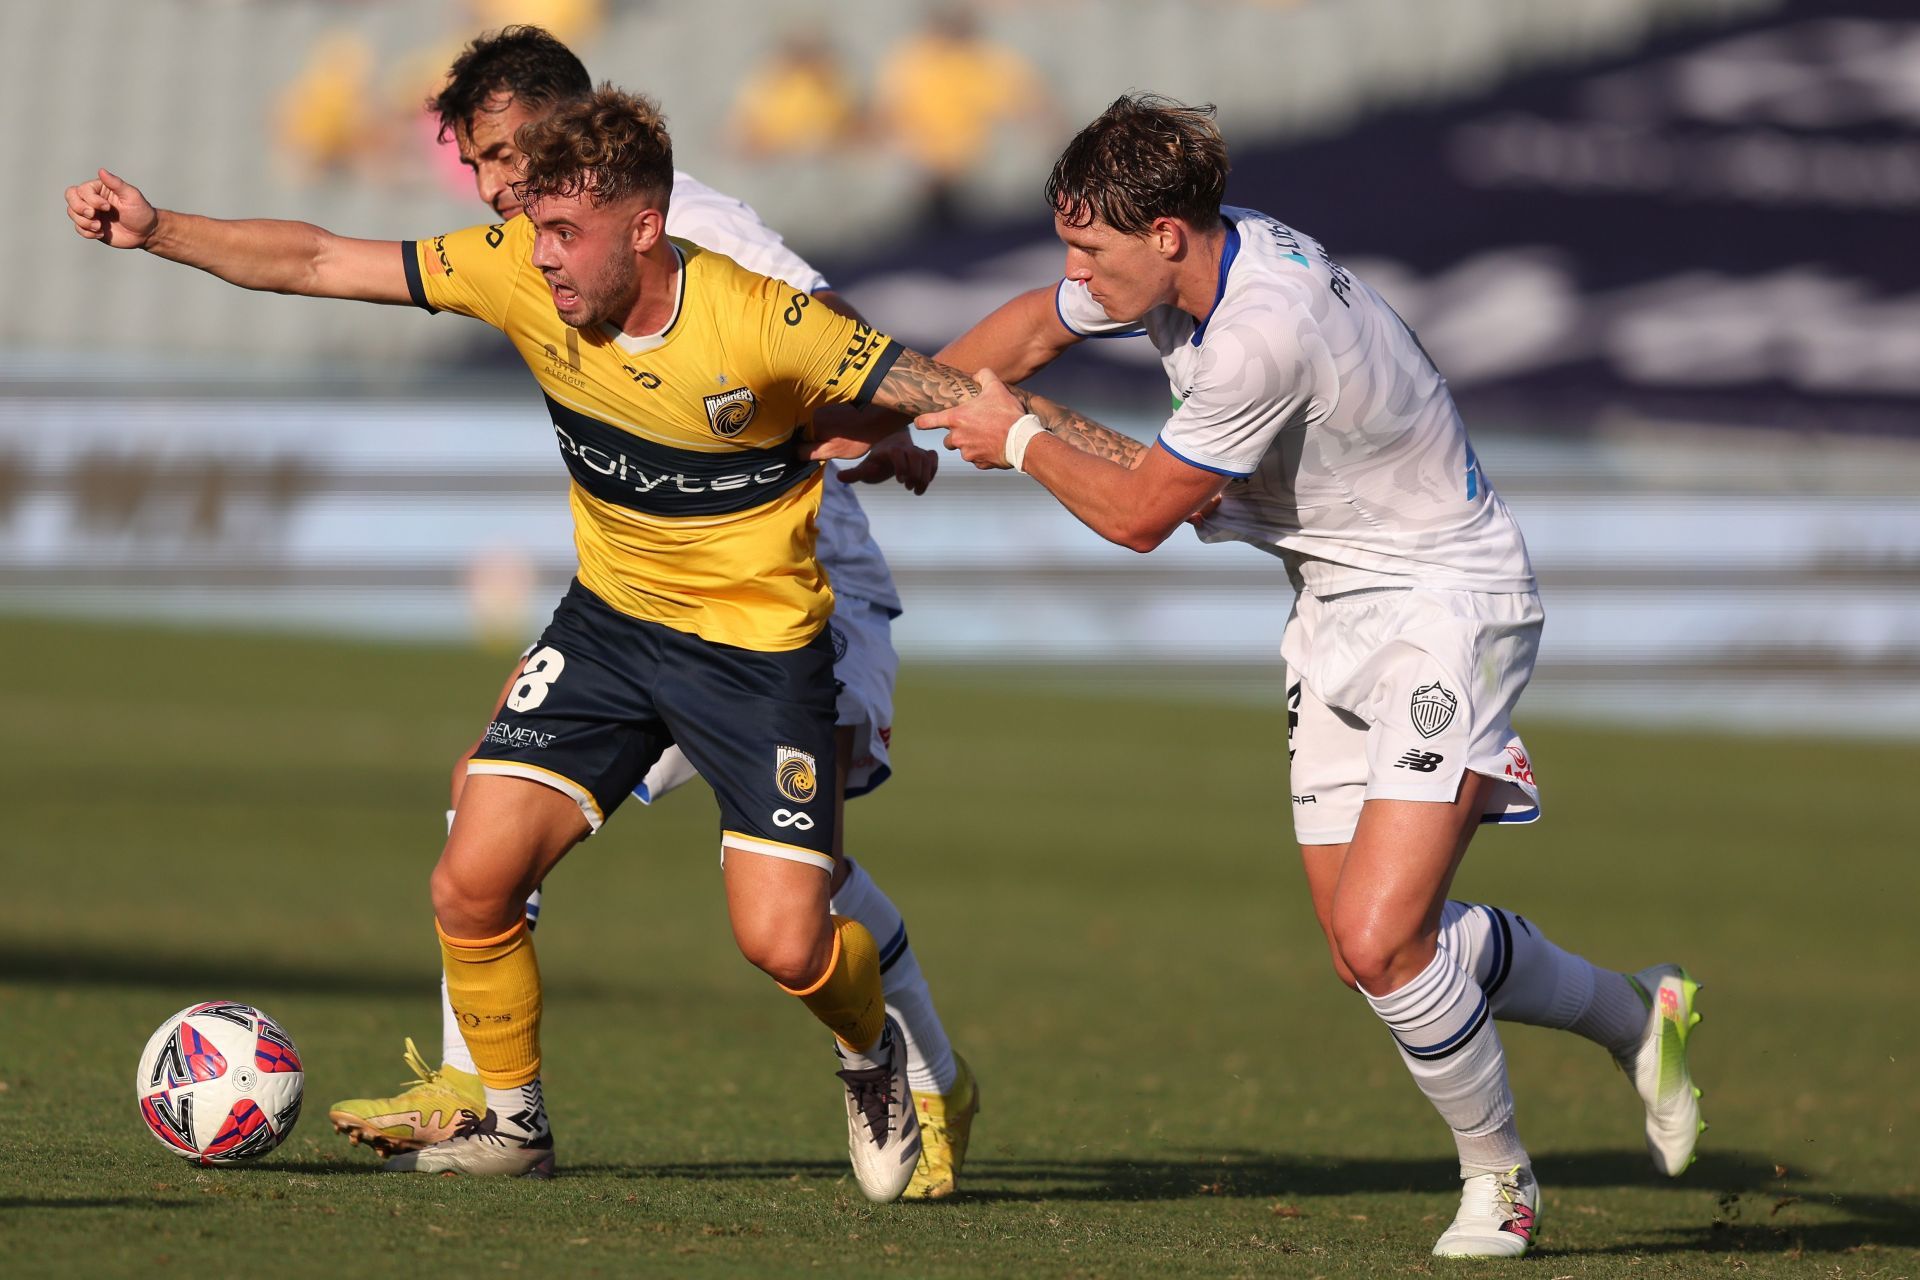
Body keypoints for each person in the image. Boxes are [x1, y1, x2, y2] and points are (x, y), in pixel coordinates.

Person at [65, 85, 1099, 1198]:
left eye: (563, 232)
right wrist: (158, 229)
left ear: (646, 228)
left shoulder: (762, 319)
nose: (538, 254)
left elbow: (940, 388)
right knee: (475, 873)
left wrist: (1134, 470)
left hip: (753, 654)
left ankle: (871, 1052)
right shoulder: (515, 268)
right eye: (531, 226)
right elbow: (321, 259)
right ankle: (508, 1116)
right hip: (609, 628)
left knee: (785, 942)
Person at [916, 94, 1707, 1257]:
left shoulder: (1261, 329)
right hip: (1335, 603)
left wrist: (1020, 440)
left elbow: (1141, 517)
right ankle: (1642, 1013)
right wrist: (894, 404)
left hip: (1448, 603)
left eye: (1090, 246)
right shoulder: (1185, 256)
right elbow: (1034, 327)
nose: (1073, 266)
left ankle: (1502, 1181)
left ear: (1168, 233)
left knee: (1387, 939)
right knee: (1371, 945)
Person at [312, 26, 978, 1201]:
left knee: (797, 889)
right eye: (479, 166)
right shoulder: (536, 248)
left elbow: (825, 329)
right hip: (648, 601)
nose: (500, 188)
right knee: (488, 801)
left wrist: (886, 431)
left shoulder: (697, 229)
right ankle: (491, 1098)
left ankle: (925, 1075)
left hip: (797, 587)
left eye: (512, 153)